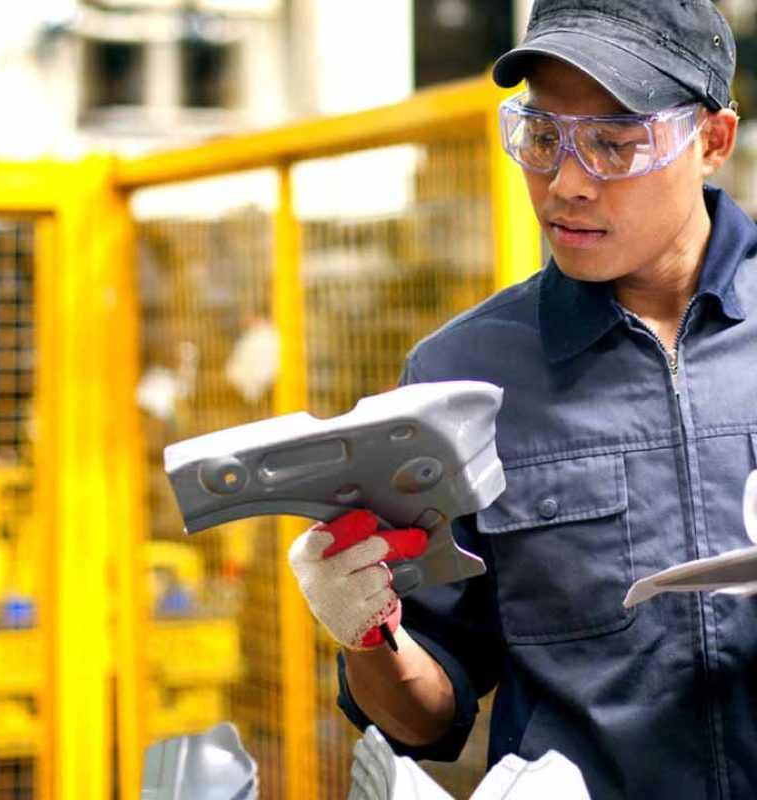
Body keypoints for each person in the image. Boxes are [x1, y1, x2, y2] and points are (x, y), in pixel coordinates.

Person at [289, 1, 757, 797]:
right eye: (543, 138)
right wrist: (366, 632)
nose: (566, 184)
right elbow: (429, 719)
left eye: (613, 144)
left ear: (711, 140)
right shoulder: (460, 379)